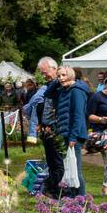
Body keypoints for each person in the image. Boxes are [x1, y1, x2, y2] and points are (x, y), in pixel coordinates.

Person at [54, 66, 92, 198]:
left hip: (73, 135)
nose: (60, 79)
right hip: (64, 133)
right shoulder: (64, 90)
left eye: (64, 75)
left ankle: (81, 201)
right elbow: (48, 93)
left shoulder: (77, 91)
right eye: (58, 76)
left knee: (76, 170)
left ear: (71, 75)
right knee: (68, 168)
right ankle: (70, 199)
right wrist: (57, 82)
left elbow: (78, 115)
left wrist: (73, 137)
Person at [29, 58, 65, 196]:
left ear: (54, 68)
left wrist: (51, 125)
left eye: (45, 73)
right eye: (42, 73)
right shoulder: (49, 85)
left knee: (58, 163)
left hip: (56, 130)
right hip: (46, 129)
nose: (44, 76)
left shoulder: (59, 86)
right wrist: (40, 123)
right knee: (52, 163)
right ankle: (53, 191)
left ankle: (49, 188)